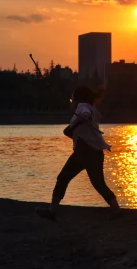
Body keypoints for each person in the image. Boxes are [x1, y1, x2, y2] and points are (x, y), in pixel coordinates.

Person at [36, 85, 121, 221]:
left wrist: (83, 117)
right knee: (98, 183)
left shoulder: (83, 107)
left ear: (78, 98)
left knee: (63, 178)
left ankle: (52, 211)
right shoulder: (91, 109)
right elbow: (81, 130)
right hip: (94, 153)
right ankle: (116, 209)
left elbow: (84, 113)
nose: (72, 100)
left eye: (73, 97)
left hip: (84, 153)